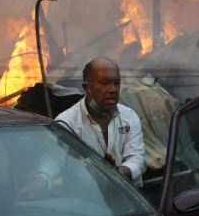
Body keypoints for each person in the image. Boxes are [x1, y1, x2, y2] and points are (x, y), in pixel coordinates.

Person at [53, 57, 146, 187]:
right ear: (87, 87)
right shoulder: (67, 122)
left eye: (117, 83)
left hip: (126, 197)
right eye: (105, 83)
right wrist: (41, 179)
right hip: (86, 199)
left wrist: (120, 173)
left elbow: (138, 158)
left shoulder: (130, 116)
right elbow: (54, 162)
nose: (113, 89)